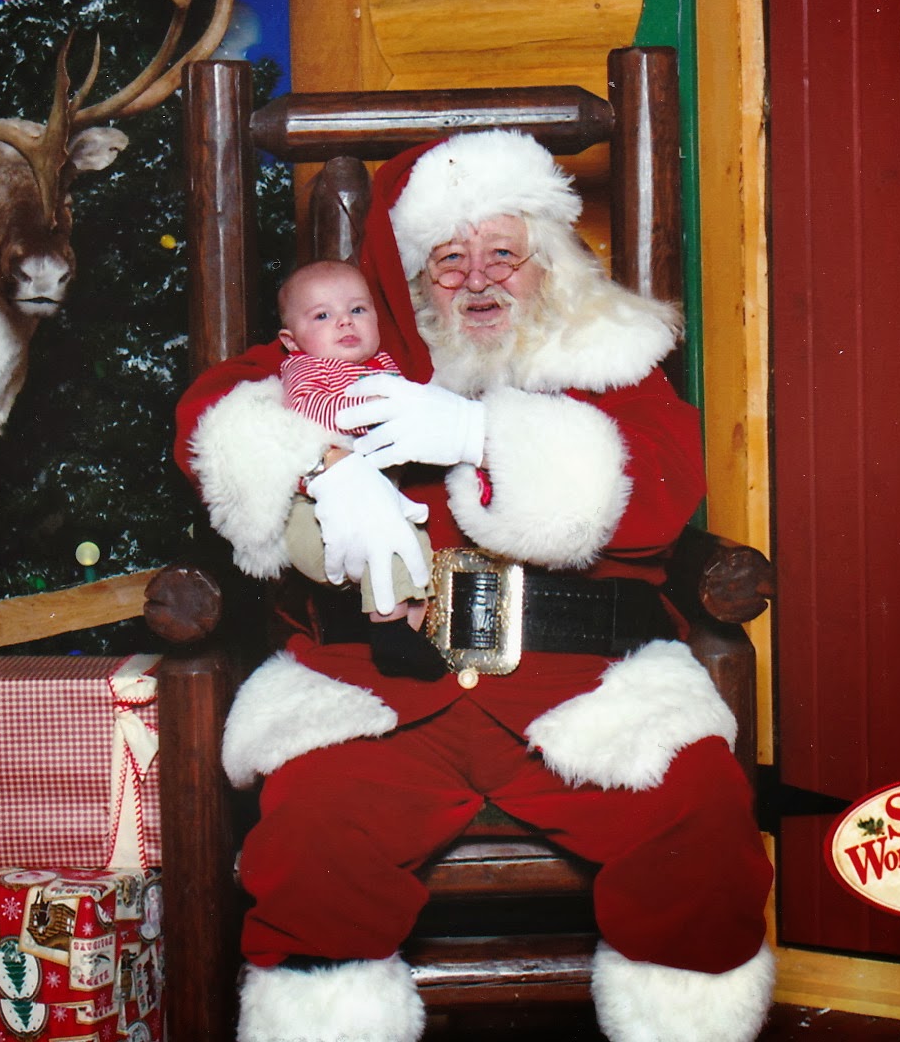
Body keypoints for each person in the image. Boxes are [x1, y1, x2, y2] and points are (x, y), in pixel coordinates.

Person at [175, 129, 775, 1042]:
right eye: (447, 261)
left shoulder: (610, 361)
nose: (479, 279)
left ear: (550, 263)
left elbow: (660, 494)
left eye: (504, 253)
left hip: (583, 686)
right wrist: (326, 474)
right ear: (410, 279)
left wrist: (478, 434)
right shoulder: (355, 359)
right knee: (314, 834)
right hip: (381, 687)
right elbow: (217, 418)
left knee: (699, 816)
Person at [275, 259, 434, 629]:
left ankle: (406, 634)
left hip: (381, 495)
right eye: (322, 316)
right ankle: (389, 630)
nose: (345, 321)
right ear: (291, 340)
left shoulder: (383, 365)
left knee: (413, 549)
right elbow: (308, 409)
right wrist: (369, 409)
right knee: (375, 552)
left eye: (358, 310)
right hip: (310, 504)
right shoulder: (306, 366)